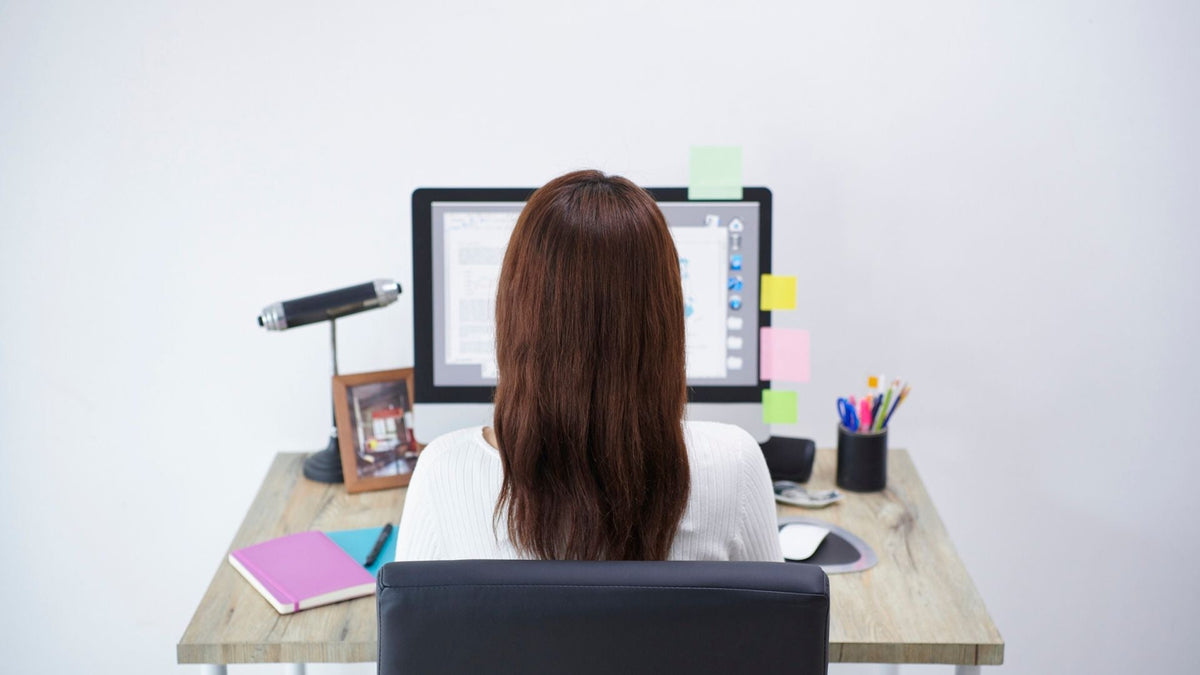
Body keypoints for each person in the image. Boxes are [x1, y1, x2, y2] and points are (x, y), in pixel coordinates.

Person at [394, 170, 782, 562]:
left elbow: (404, 621)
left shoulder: (442, 471)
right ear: (664, 323)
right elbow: (781, 619)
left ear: (515, 316)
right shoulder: (736, 464)